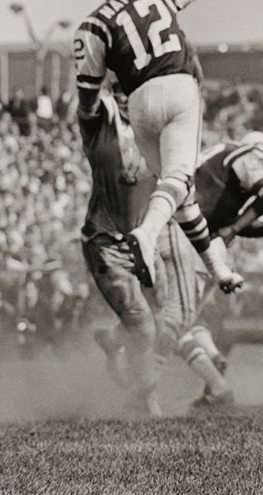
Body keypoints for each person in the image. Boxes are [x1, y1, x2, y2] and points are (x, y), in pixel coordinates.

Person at [73, 0, 247, 294]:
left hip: (138, 103)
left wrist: (89, 119)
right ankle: (146, 236)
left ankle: (218, 269)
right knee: (178, 180)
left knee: (179, 195)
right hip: (177, 85)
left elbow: (89, 97)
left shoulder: (91, 25)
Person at [80, 84, 196, 416]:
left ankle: (114, 340)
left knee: (163, 317)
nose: (129, 99)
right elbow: (88, 98)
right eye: (121, 92)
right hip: (107, 241)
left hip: (144, 239)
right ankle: (144, 397)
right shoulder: (106, 126)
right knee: (142, 324)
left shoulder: (164, 134)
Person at [176, 131, 263, 407]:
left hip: (191, 241)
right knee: (172, 320)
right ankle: (215, 381)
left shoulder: (220, 168)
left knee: (179, 319)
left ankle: (215, 377)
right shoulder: (242, 153)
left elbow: (231, 224)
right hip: (187, 242)